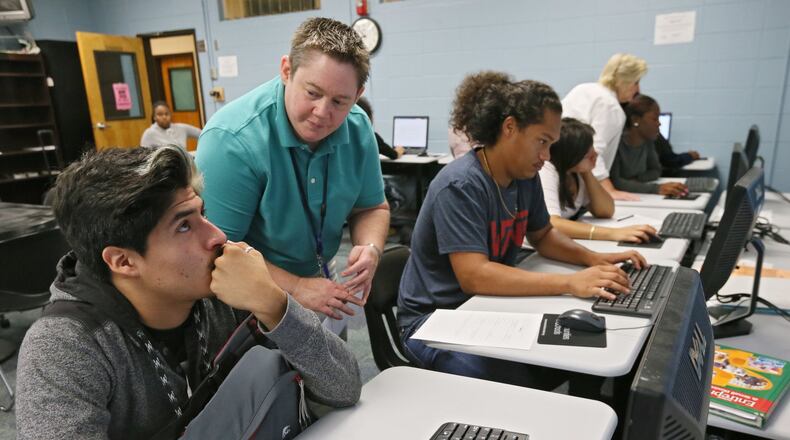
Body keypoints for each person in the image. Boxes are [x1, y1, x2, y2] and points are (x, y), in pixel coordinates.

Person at [15, 146, 361, 439]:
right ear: (123, 261)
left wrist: (274, 304)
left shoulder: (225, 291)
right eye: (184, 225)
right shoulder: (65, 347)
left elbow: (344, 387)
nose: (218, 237)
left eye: (203, 213)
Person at [397, 71, 647, 388]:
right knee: (520, 383)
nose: (546, 156)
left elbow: (543, 236)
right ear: (510, 128)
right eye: (541, 142)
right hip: (434, 321)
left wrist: (593, 260)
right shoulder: (460, 185)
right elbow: (474, 275)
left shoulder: (524, 177)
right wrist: (570, 283)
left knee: (577, 359)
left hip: (484, 308)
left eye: (551, 145)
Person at [196, 18, 389, 331]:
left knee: (328, 374)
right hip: (254, 293)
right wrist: (297, 287)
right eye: (312, 93)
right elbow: (220, 252)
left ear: (358, 94)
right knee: (272, 377)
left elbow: (372, 207)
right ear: (287, 71)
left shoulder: (357, 125)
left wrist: (370, 248)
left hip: (322, 276)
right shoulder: (232, 140)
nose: (323, 113)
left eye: (340, 101)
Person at [540, 117, 657, 242]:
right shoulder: (546, 171)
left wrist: (587, 172)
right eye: (586, 151)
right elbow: (552, 223)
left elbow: (605, 211)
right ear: (569, 154)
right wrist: (613, 234)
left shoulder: (576, 172)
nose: (595, 154)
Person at [561, 53, 648, 201]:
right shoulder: (611, 106)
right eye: (636, 82)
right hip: (576, 183)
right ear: (625, 81)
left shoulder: (584, 89)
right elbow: (594, 152)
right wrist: (609, 191)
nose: (638, 89)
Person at [611, 94, 688, 196]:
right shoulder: (616, 143)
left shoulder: (648, 141)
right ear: (635, 120)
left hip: (637, 196)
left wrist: (636, 180)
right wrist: (656, 188)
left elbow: (656, 170)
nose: (659, 124)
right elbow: (616, 183)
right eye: (654, 119)